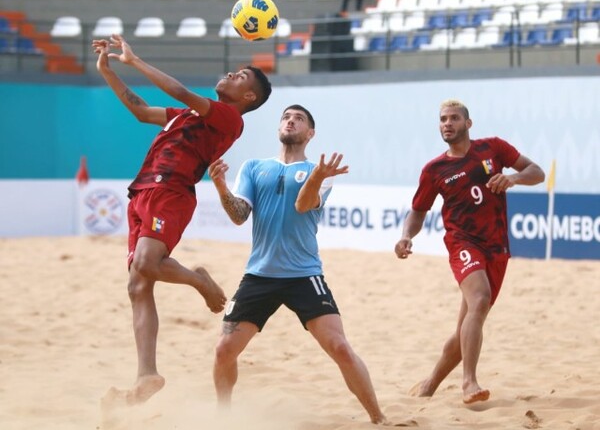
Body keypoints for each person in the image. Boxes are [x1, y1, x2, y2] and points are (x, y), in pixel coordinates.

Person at [92, 34, 272, 406]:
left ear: (247, 98)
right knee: (137, 286)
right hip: (142, 192)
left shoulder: (228, 117)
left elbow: (178, 90)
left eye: (240, 76)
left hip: (171, 190)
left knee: (146, 263)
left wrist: (134, 61)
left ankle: (199, 281)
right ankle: (147, 375)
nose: (230, 74)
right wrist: (108, 72)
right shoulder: (190, 116)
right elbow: (141, 111)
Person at [208, 105, 390, 425]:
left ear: (310, 133)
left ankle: (378, 418)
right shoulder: (254, 167)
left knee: (340, 348)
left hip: (304, 275)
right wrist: (222, 186)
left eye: (299, 118)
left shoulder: (320, 172)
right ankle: (224, 417)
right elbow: (239, 216)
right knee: (224, 350)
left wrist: (318, 175)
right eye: (285, 117)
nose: (290, 121)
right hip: (259, 275)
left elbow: (303, 204)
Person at [394, 99, 545, 404]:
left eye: (453, 118)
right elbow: (418, 211)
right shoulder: (435, 169)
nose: (446, 124)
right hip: (463, 243)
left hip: (497, 246)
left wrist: (513, 178)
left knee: (468, 323)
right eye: (442, 120)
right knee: (480, 298)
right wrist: (406, 236)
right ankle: (469, 383)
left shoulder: (493, 148)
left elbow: (537, 172)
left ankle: (429, 385)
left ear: (468, 123)